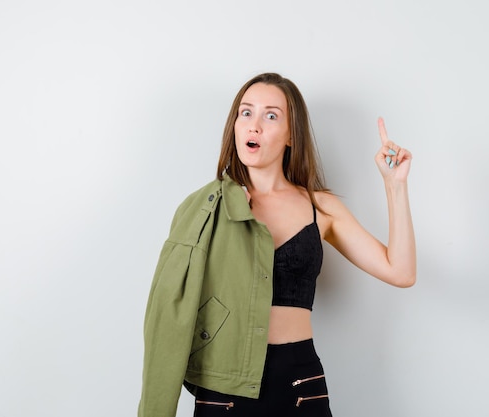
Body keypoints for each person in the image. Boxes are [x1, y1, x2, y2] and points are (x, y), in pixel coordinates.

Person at [138, 72, 416, 417]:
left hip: (301, 385)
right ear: (235, 126)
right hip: (223, 390)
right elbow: (169, 311)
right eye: (246, 113)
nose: (254, 125)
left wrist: (395, 185)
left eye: (271, 116)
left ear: (290, 136)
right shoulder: (208, 207)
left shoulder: (321, 207)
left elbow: (401, 272)